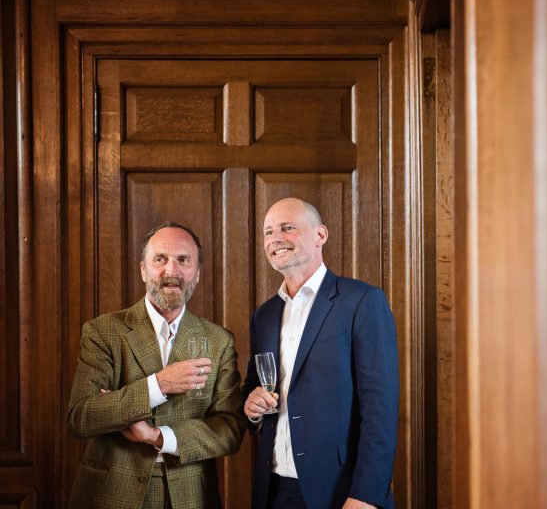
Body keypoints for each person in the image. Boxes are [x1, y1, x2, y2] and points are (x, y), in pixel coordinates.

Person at [67, 222, 245, 509]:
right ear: (143, 269)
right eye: (160, 259)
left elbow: (229, 430)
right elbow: (82, 416)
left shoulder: (218, 341)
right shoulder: (103, 332)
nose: (171, 271)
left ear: (197, 273)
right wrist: (158, 385)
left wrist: (159, 436)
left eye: (183, 260)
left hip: (191, 496)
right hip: (112, 494)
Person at [243, 198, 399, 509]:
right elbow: (253, 389)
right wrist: (251, 408)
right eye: (268, 232)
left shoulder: (362, 301)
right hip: (273, 489)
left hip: (341, 490)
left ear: (320, 235)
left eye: (288, 228)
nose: (275, 239)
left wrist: (366, 495)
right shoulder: (264, 315)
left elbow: (380, 410)